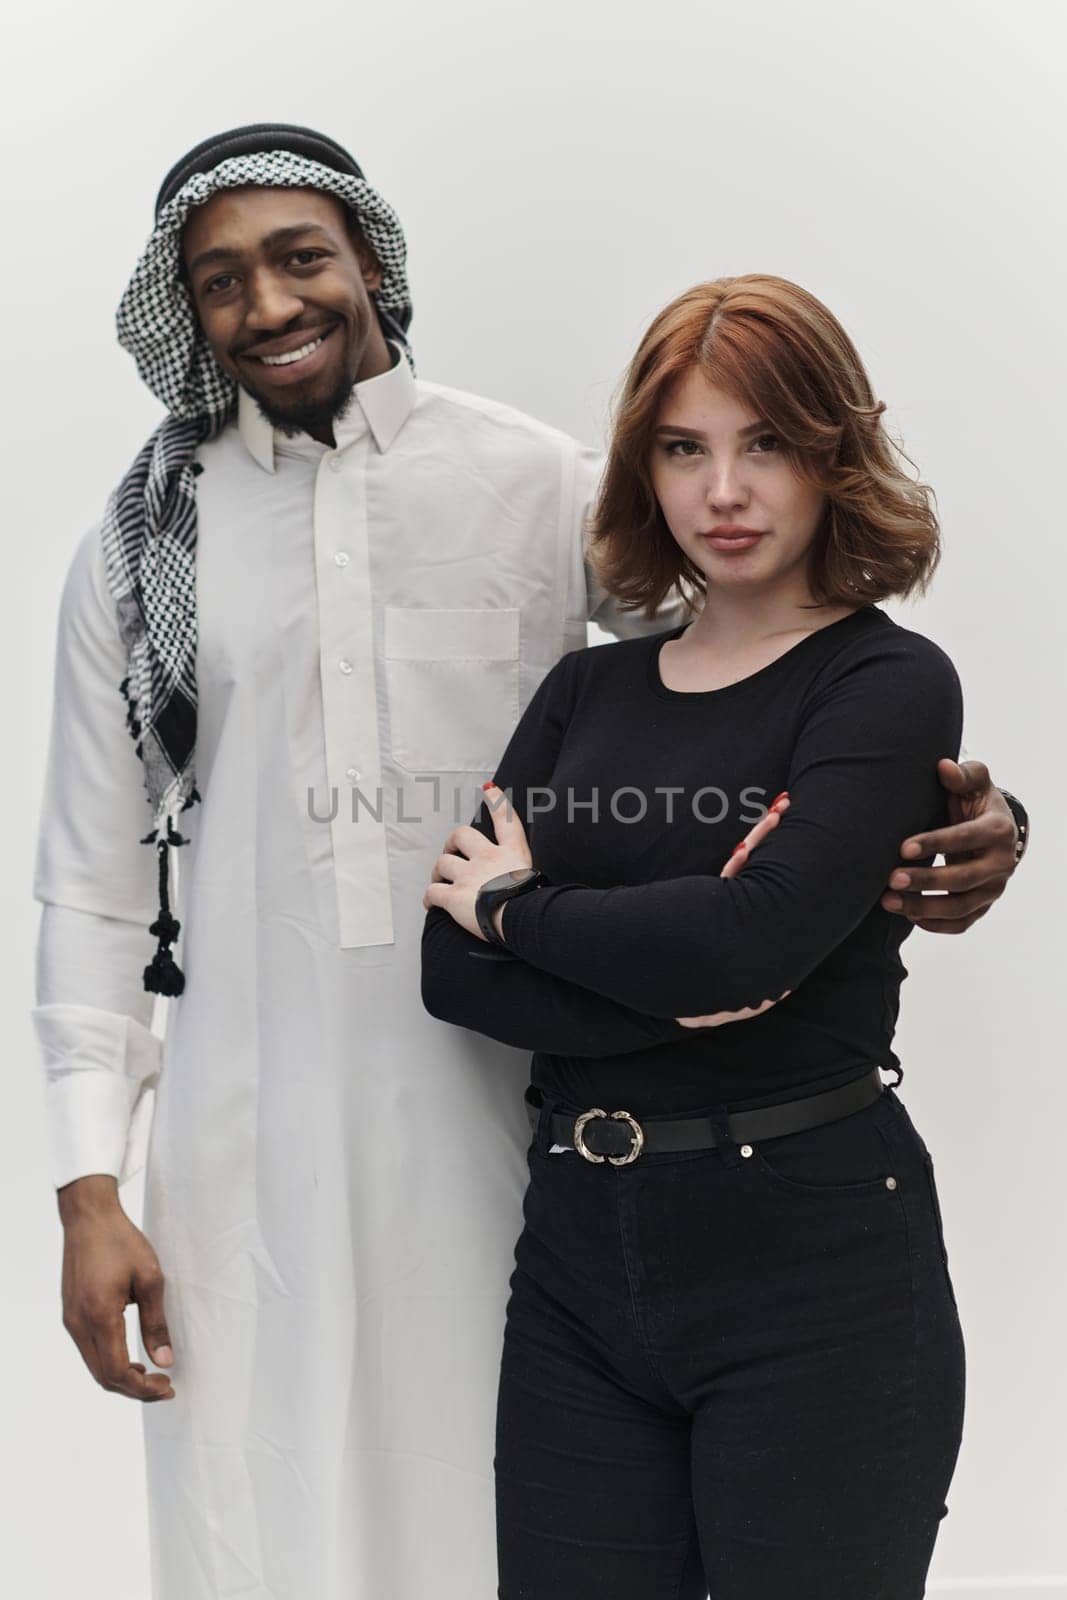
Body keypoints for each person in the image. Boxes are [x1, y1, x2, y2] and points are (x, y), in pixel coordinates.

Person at [32, 116, 1022, 1598]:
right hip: (249, 1140)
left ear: (373, 260)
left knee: (496, 1531)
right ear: (184, 312)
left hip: (527, 1138)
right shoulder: (135, 550)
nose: (270, 305)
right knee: (258, 1522)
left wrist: (967, 821)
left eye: (302, 256)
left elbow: (763, 696)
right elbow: (90, 876)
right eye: (220, 280)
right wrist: (87, 1183)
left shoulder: (538, 488)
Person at [420, 273, 1024, 1598]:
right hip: (578, 1261)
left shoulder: (880, 680)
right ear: (645, 471)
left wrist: (528, 911)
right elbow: (451, 971)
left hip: (813, 1261)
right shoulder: (586, 690)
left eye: (766, 444)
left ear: (831, 456)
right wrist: (689, 970)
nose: (724, 491)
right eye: (684, 449)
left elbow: (730, 940)